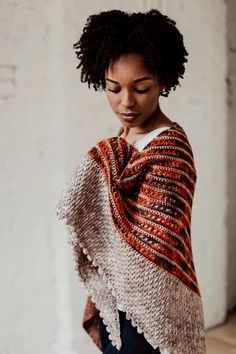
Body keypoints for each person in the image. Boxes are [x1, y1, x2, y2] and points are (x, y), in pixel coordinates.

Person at [56, 8, 206, 354]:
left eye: (141, 88)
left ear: (163, 81)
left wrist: (104, 157)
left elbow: (161, 241)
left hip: (152, 310)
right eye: (113, 88)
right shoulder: (123, 142)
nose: (126, 102)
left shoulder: (171, 151)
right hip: (116, 302)